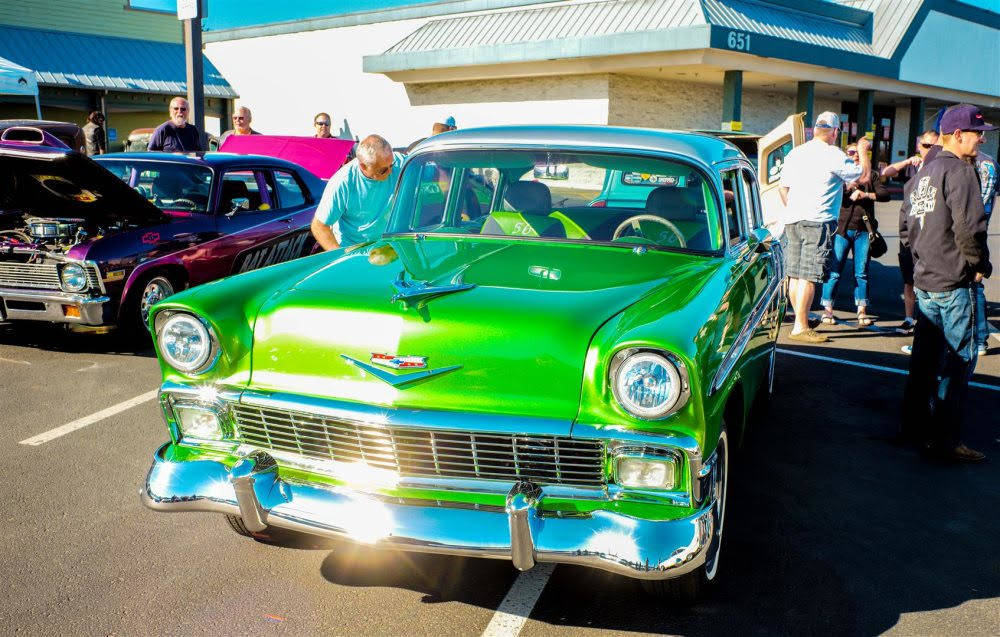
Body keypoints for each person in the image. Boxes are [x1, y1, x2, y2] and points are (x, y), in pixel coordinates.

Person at [899, 104, 994, 463]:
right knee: (958, 361)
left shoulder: (925, 170)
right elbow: (971, 227)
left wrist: (921, 260)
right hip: (953, 282)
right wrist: (979, 265)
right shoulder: (959, 170)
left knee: (924, 361)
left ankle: (914, 426)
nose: (981, 138)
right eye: (977, 132)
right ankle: (946, 439)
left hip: (926, 279)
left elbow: (906, 228)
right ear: (957, 135)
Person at [778, 111, 871, 343]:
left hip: (793, 219)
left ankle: (801, 319)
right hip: (817, 220)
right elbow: (864, 175)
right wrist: (862, 150)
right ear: (835, 132)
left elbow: (782, 188)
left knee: (795, 274)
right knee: (808, 275)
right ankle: (800, 326)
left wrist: (794, 209)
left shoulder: (796, 153)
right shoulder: (833, 155)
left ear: (815, 129)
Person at [819, 142, 890, 326]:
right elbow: (827, 194)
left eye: (858, 153)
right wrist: (847, 188)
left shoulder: (871, 175)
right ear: (846, 155)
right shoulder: (840, 176)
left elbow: (884, 195)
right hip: (841, 229)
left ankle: (862, 311)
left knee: (862, 273)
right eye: (852, 153)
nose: (855, 156)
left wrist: (865, 195)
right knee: (834, 271)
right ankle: (827, 311)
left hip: (864, 231)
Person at [310, 134, 403, 251]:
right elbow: (319, 226)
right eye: (383, 170)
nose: (390, 172)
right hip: (355, 250)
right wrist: (341, 256)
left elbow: (427, 168)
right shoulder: (343, 182)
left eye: (391, 165)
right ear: (363, 166)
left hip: (387, 247)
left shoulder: (399, 163)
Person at [888, 131, 940, 333]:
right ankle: (909, 318)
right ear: (919, 147)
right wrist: (908, 162)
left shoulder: (942, 170)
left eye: (934, 146)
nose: (930, 150)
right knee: (909, 280)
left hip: (931, 239)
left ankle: (930, 324)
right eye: (926, 146)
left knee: (930, 285)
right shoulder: (914, 172)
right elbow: (886, 174)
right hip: (909, 237)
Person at [972, 143, 998, 356]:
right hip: (966, 234)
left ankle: (980, 338)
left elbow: (981, 206)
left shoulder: (985, 163)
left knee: (975, 284)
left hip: (973, 236)